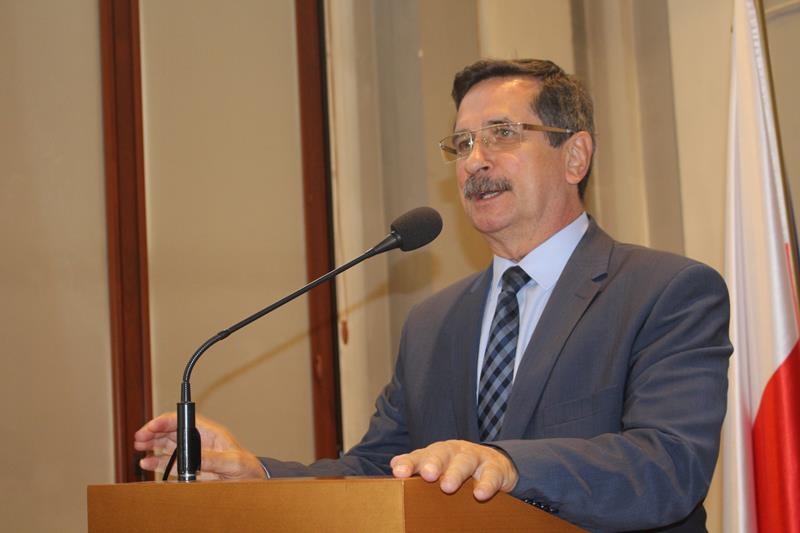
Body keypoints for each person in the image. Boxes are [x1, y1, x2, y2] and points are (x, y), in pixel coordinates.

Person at [135, 58, 731, 531]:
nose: (475, 161)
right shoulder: (433, 321)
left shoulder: (665, 292)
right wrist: (257, 475)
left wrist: (509, 464)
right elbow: (377, 469)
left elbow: (668, 465)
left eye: (501, 134)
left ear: (575, 155)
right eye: (462, 144)